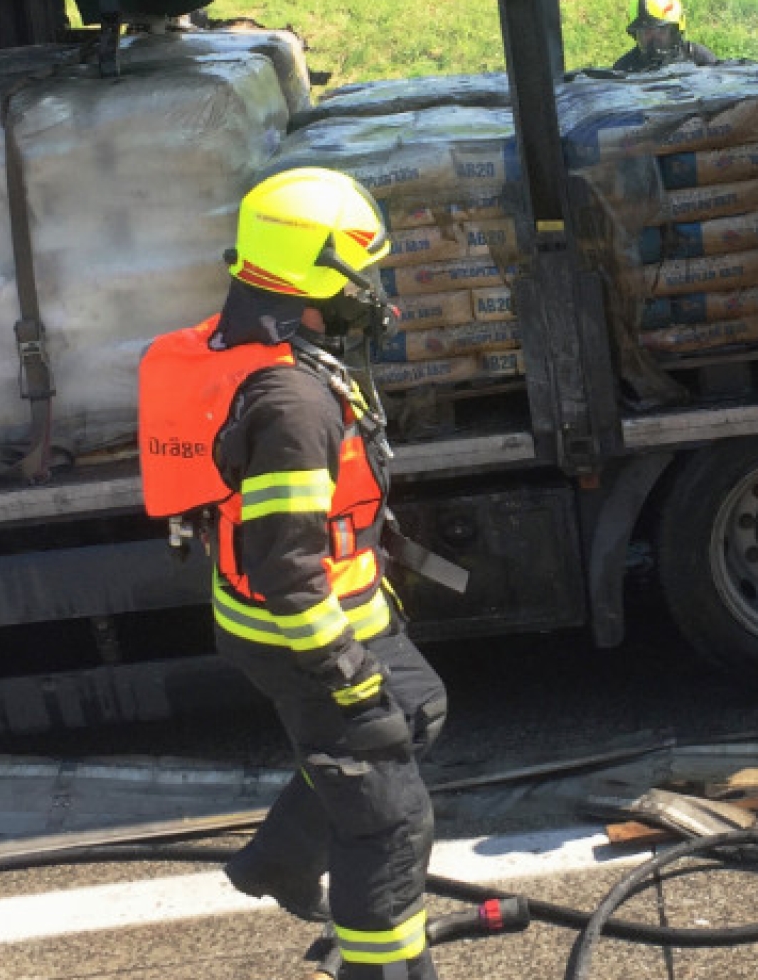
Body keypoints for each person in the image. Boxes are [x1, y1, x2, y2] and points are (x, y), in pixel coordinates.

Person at [139, 168, 447, 978]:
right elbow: (288, 572)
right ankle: (381, 967)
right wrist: (346, 680)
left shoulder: (267, 350)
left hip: (344, 610)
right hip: (303, 636)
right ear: (317, 278)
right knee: (387, 821)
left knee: (417, 708)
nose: (375, 293)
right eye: (364, 275)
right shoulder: (291, 405)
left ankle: (278, 856)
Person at [611, 0, 719, 72]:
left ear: (676, 31)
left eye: (660, 31)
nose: (653, 41)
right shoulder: (624, 68)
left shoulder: (699, 59)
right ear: (636, 35)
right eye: (645, 33)